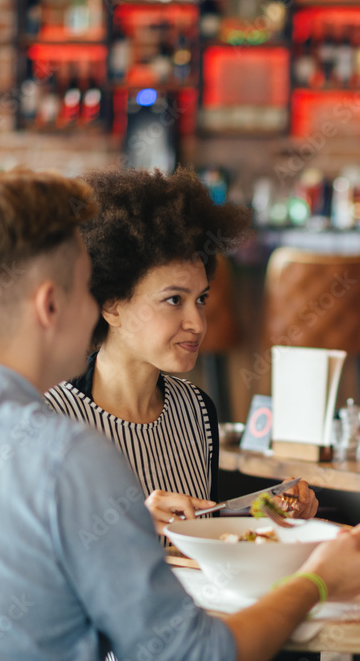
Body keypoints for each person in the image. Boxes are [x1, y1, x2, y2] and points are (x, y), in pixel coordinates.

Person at [0, 168, 360, 659]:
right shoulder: (67, 454)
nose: (93, 311)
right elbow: (194, 654)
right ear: (51, 305)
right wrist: (320, 580)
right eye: (86, 289)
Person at [43, 167, 316, 534]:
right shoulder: (52, 418)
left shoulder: (196, 412)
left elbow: (207, 542)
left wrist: (271, 518)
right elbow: (34, 559)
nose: (198, 323)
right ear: (112, 306)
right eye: (174, 300)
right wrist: (130, 524)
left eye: (201, 299)